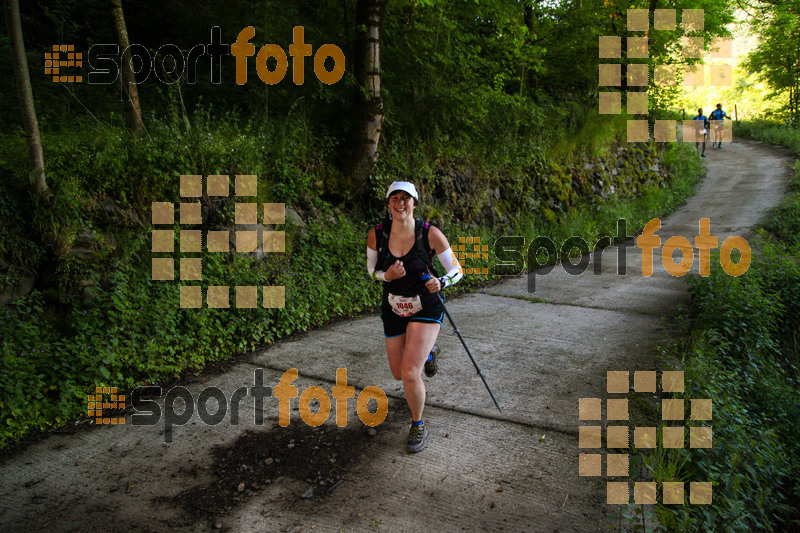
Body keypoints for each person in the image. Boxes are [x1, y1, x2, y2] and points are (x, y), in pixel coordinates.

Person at [366, 182, 463, 453]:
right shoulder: (377, 234)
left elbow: (457, 269)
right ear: (388, 204)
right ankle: (429, 353)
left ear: (414, 203)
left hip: (426, 307)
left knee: (410, 373)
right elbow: (371, 270)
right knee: (398, 373)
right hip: (394, 308)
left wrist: (441, 281)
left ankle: (417, 424)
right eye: (395, 198)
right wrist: (387, 276)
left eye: (406, 198)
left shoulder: (429, 234)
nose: (400, 203)